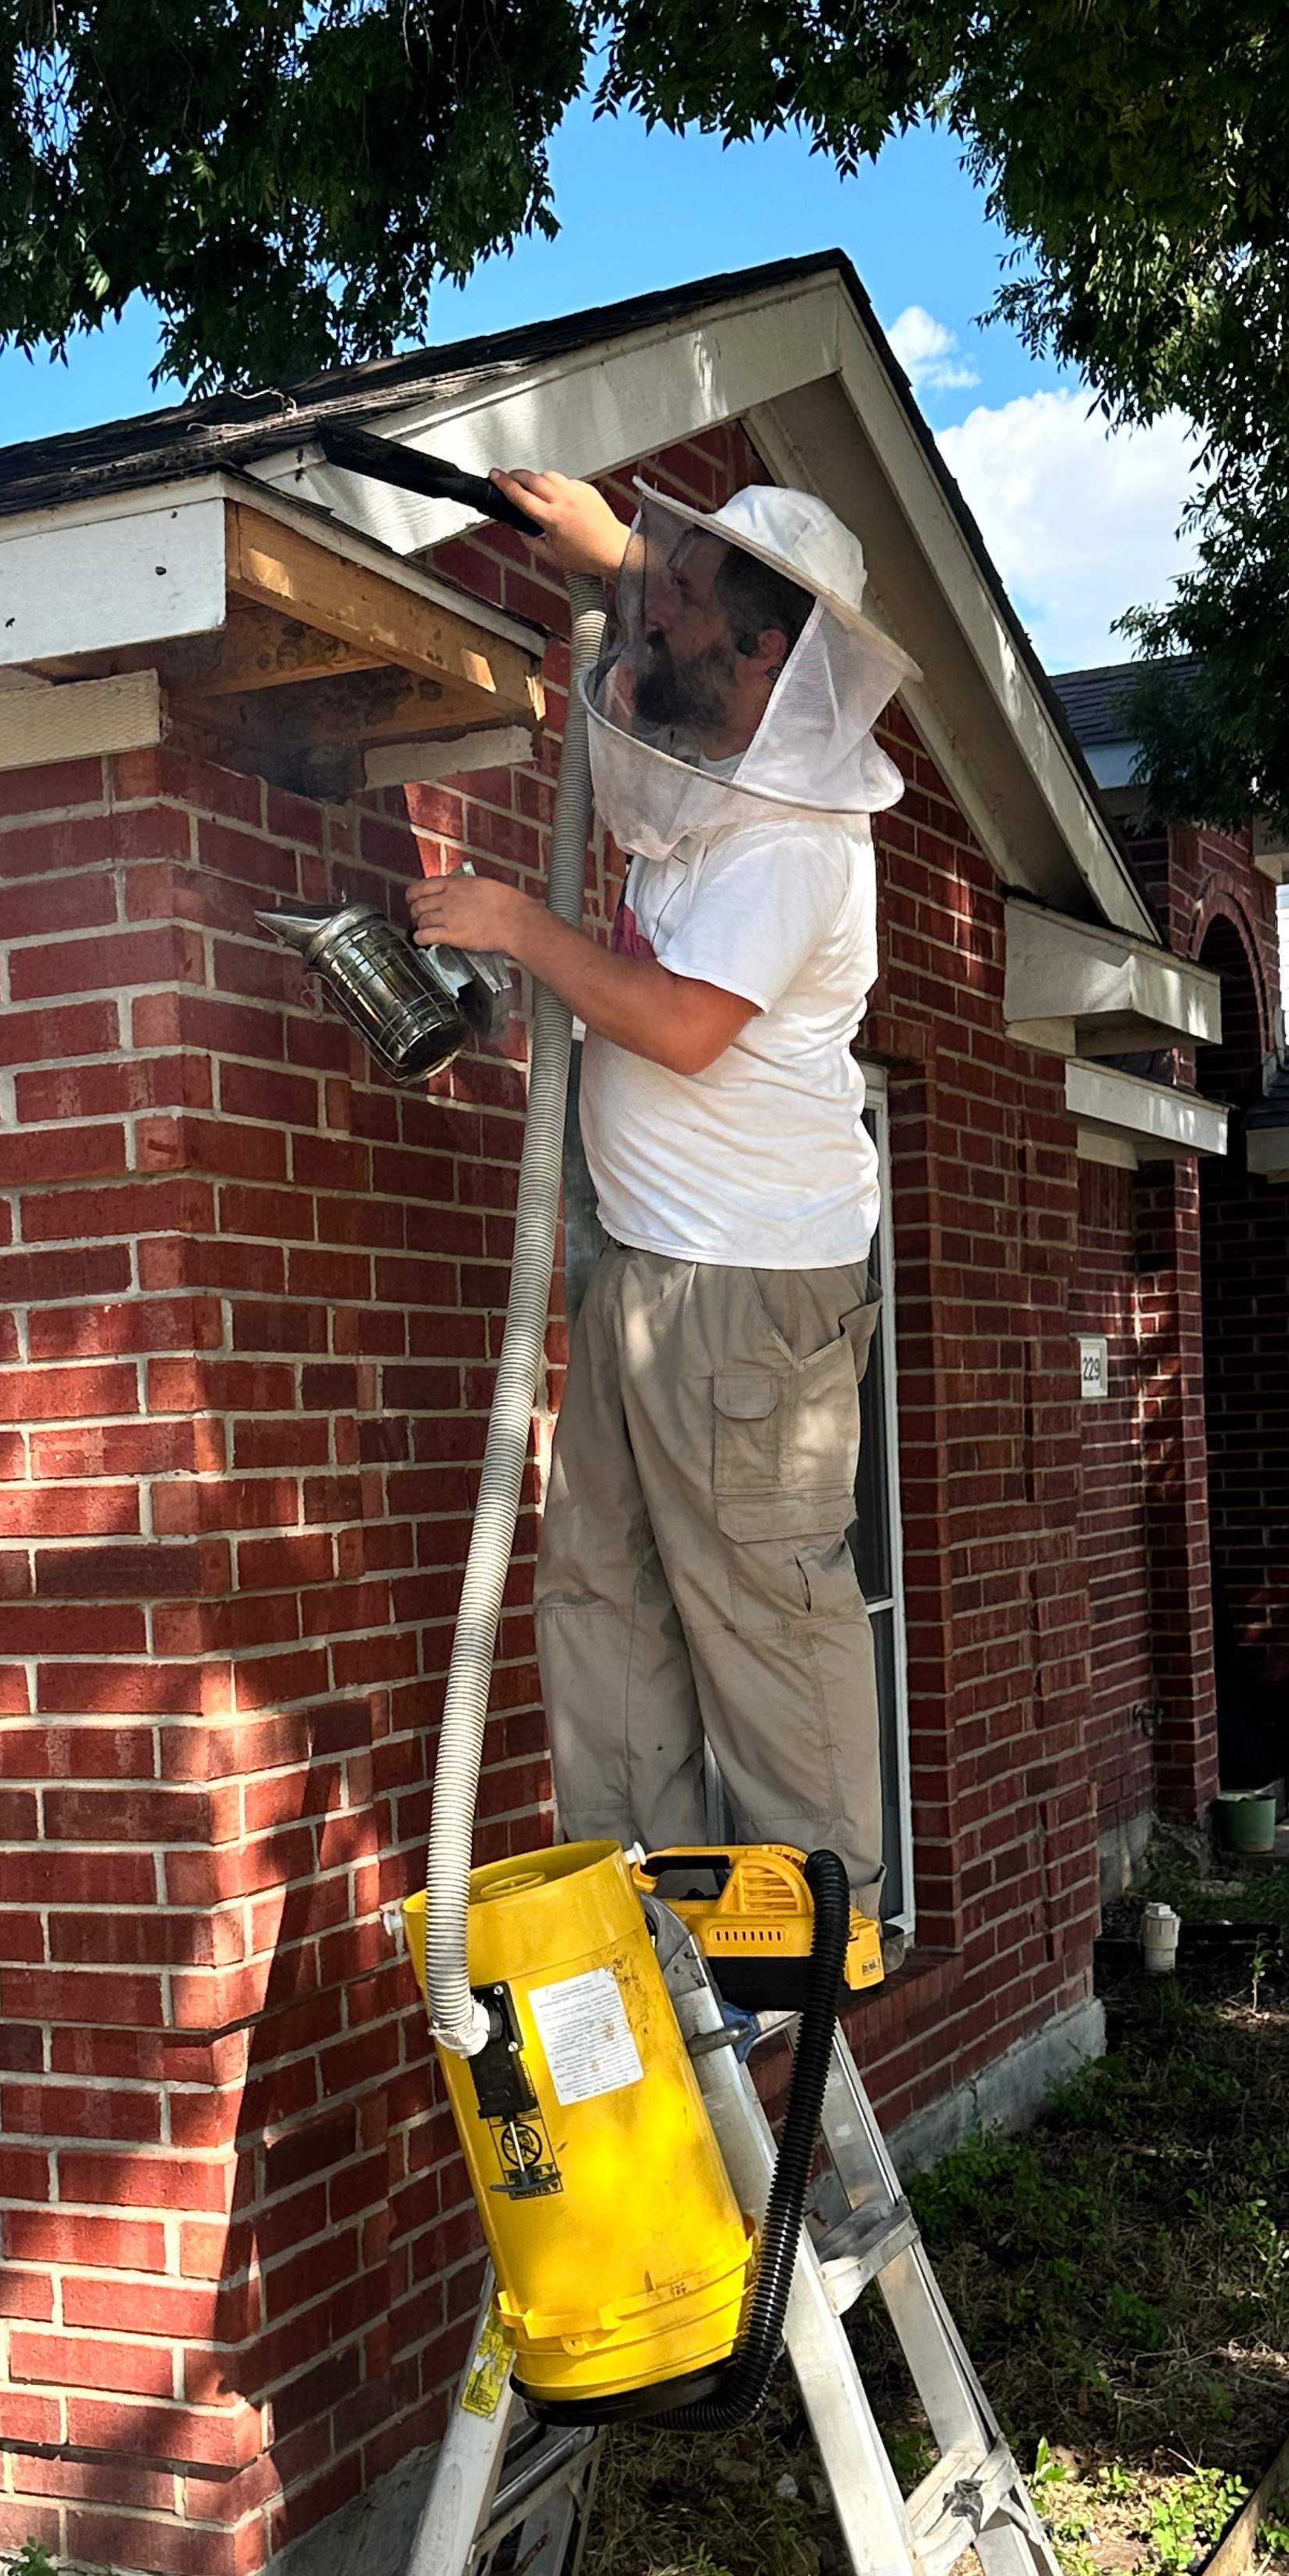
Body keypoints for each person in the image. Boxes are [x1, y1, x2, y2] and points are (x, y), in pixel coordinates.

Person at [406, 466, 918, 1913]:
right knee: (604, 1598)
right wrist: (618, 551)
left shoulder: (797, 840)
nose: (657, 611)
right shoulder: (721, 786)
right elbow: (679, 634)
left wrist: (520, 924)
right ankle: (659, 1924)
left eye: (684, 596)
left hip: (748, 1284)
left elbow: (686, 1027)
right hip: (649, 1266)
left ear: (766, 649)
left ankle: (808, 1940)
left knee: (760, 1610)